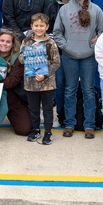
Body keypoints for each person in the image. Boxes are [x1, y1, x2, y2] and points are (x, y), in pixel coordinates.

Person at [53, 0, 103, 138]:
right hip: (69, 56)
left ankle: (89, 125)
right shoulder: (64, 10)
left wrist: (94, 45)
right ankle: (69, 123)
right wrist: (66, 46)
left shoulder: (95, 10)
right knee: (69, 90)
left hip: (88, 57)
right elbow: (57, 33)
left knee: (88, 90)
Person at [21, 12, 61, 145]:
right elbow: (20, 60)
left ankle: (48, 132)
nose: (39, 28)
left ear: (47, 27)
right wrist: (29, 52)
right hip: (30, 82)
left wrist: (45, 74)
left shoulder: (51, 43)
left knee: (48, 108)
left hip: (47, 83)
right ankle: (36, 129)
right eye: (36, 25)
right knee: (33, 108)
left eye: (41, 26)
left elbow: (56, 62)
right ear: (31, 26)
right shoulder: (26, 42)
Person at [0, 29, 32, 136]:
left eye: (8, 42)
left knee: (25, 130)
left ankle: (12, 115)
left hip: (12, 98)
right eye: (2, 40)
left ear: (12, 44)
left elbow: (11, 82)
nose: (4, 44)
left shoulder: (17, 58)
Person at [49, 0, 73, 127]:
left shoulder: (77, 4)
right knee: (59, 83)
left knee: (72, 85)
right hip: (56, 51)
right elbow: (49, 27)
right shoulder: (51, 6)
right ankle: (60, 114)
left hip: (74, 50)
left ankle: (71, 115)